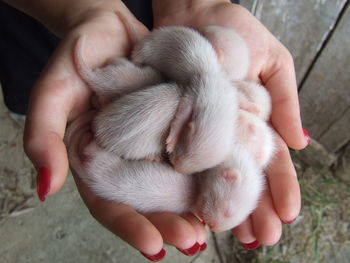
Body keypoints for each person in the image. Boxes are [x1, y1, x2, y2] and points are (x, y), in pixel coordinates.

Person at [0, 0, 310, 261]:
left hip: (143, 53)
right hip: (44, 27)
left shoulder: (212, 110)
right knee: (46, 90)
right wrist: (83, 8)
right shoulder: (206, 102)